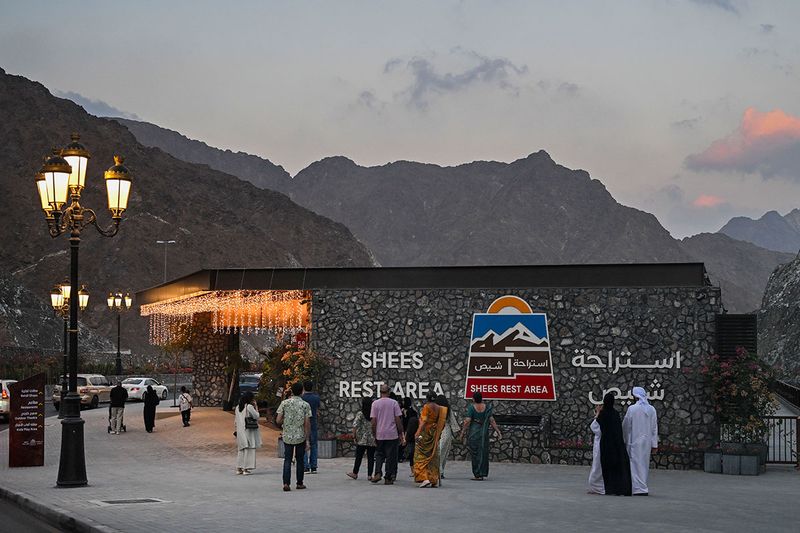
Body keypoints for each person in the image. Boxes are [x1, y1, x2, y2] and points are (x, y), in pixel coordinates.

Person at [623, 386, 659, 496]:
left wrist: (625, 439)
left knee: (634, 464)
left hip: (634, 441)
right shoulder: (651, 409)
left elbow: (626, 426)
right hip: (646, 442)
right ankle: (642, 486)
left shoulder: (632, 409)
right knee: (644, 464)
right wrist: (654, 444)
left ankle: (638, 488)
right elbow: (654, 428)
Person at [276, 382, 312, 491]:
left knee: (287, 459)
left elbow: (278, 420)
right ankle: (299, 483)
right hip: (300, 436)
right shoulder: (305, 405)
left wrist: (285, 422)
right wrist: (307, 439)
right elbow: (307, 423)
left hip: (287, 435)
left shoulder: (284, 403)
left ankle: (286, 483)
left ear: (291, 391)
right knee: (300, 460)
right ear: (302, 391)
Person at [596, 392, 632, 496]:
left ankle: (610, 488)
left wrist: (598, 412)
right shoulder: (616, 414)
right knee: (616, 467)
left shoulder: (603, 414)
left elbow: (597, 426)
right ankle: (619, 488)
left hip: (606, 445)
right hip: (616, 445)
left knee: (607, 467)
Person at [459, 392, 501, 480]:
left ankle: (477, 474)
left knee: (475, 453)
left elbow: (467, 421)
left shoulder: (471, 408)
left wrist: (462, 433)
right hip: (483, 433)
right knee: (483, 452)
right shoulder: (487, 408)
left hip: (474, 432)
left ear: (474, 399)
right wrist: (498, 431)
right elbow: (492, 420)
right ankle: (482, 472)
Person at [370, 383, 405, 485]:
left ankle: (377, 473)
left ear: (380, 392)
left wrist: (374, 433)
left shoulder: (375, 404)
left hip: (380, 433)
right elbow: (398, 419)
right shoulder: (394, 403)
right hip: (392, 433)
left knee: (379, 454)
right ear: (389, 392)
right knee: (391, 456)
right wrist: (400, 432)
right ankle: (388, 477)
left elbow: (373, 421)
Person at [413, 392, 447, 488]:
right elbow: (442, 422)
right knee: (432, 456)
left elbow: (424, 421)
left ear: (427, 398)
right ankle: (433, 479)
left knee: (419, 456)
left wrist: (417, 432)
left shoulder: (427, 407)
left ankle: (424, 478)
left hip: (425, 434)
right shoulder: (440, 409)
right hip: (434, 434)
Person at [347, 396, 377, 480]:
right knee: (371, 457)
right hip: (372, 439)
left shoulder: (360, 414)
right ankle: (369, 475)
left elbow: (355, 425)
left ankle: (355, 473)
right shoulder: (374, 414)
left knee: (359, 457)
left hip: (361, 440)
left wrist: (354, 436)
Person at [234, 391, 262, 475]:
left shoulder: (238, 407)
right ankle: (246, 469)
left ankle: (239, 468)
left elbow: (235, 421)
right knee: (249, 448)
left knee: (241, 449)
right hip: (248, 430)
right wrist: (256, 406)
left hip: (240, 431)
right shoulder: (249, 407)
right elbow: (257, 416)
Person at [435, 395, 460, 479]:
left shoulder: (436, 409)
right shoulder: (448, 409)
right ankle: (441, 472)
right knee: (444, 453)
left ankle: (438, 471)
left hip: (437, 430)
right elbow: (453, 421)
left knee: (437, 452)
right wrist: (457, 432)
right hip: (446, 431)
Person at [302, 380, 321, 474]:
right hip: (313, 423)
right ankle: (313, 466)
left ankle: (305, 466)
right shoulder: (316, 398)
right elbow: (317, 409)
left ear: (304, 387)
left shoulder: (302, 398)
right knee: (314, 445)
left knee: (303, 444)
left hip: (303, 423)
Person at [587, 404, 605, 494]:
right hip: (604, 444)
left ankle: (596, 486)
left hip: (600, 444)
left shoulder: (600, 420)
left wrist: (598, 413)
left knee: (597, 466)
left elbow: (594, 427)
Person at [402, 397, 418, 468]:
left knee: (410, 447)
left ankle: (411, 463)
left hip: (409, 430)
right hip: (412, 430)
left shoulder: (408, 411)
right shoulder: (412, 410)